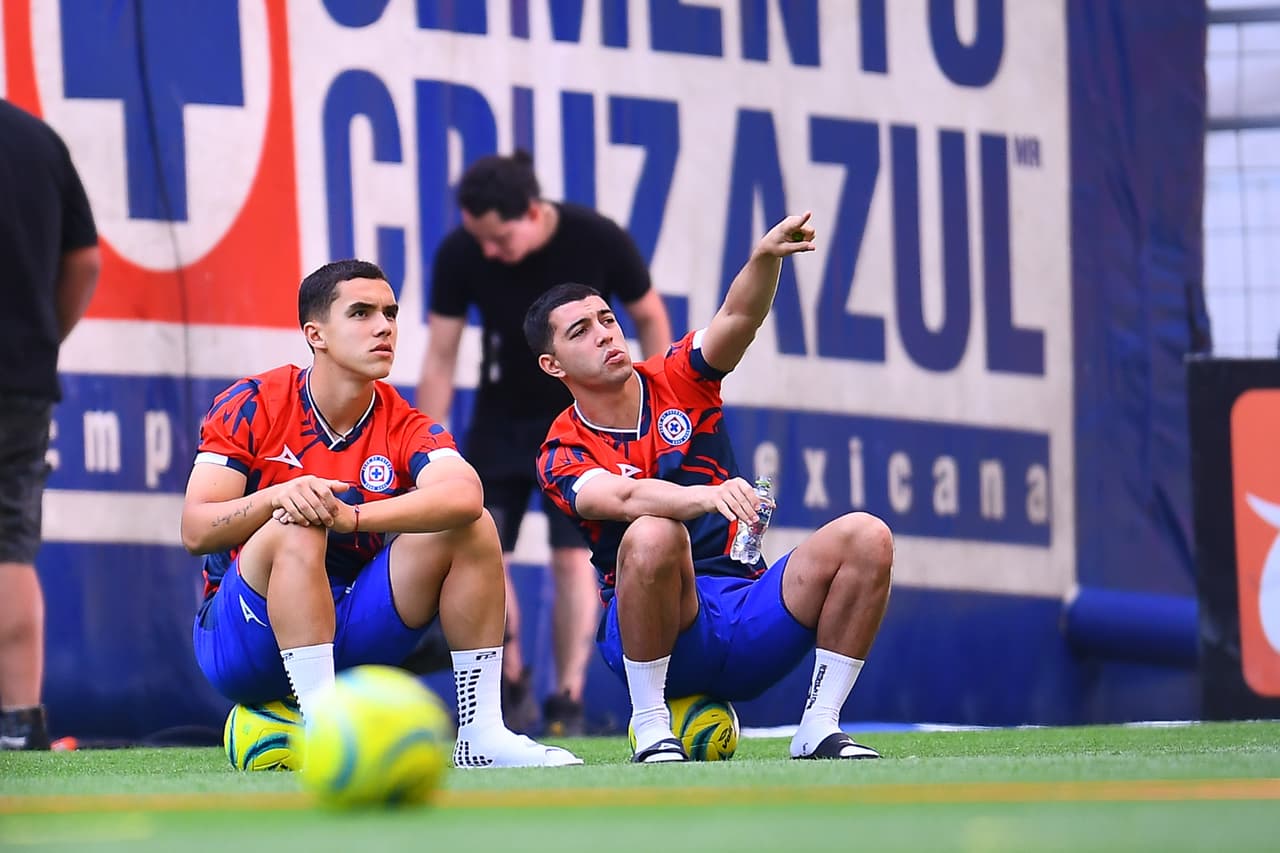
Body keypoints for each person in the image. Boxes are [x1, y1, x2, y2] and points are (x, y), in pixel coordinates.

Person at [181, 259, 581, 768]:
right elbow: (196, 528)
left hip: (348, 628)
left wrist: (351, 519)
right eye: (362, 313)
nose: (384, 327)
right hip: (243, 642)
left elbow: (465, 494)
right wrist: (280, 496)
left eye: (390, 313)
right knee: (299, 521)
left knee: (472, 526)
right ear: (315, 334)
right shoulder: (254, 401)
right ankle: (329, 732)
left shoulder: (402, 419)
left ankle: (482, 734)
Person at [527, 213, 894, 762]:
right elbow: (621, 499)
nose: (605, 333)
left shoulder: (678, 375)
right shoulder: (561, 449)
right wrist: (708, 494)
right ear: (553, 365)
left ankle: (819, 727)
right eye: (581, 331)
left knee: (867, 535)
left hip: (746, 609)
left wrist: (764, 258)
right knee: (654, 533)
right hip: (662, 631)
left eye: (607, 318)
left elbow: (739, 315)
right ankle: (651, 726)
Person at [415, 152, 671, 735]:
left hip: (585, 426)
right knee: (482, 551)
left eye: (500, 238)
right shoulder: (462, 252)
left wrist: (653, 405)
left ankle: (567, 699)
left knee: (571, 561)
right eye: (479, 239)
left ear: (532, 212)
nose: (489, 252)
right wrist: (424, 448)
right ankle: (509, 685)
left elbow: (651, 316)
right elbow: (441, 355)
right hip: (499, 423)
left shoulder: (596, 236)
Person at [0, 102, 100, 751]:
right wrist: (41, 342)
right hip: (19, 376)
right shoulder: (36, 139)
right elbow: (85, 262)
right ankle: (18, 723)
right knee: (9, 542)